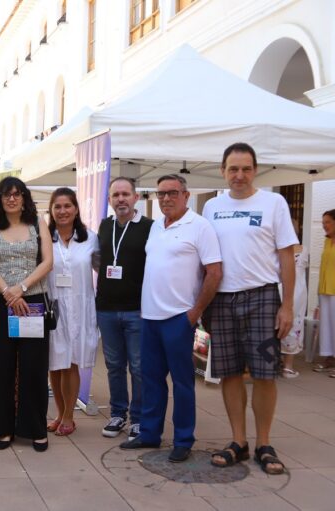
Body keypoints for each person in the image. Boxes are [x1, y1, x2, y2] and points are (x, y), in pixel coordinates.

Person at [202, 143, 297, 475]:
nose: (239, 175)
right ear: (223, 171)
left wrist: (287, 306)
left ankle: (264, 444)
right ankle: (238, 442)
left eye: (245, 169)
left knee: (264, 374)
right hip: (223, 300)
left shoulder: (274, 203)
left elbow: (287, 256)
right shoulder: (212, 206)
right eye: (232, 169)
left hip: (262, 298)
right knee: (228, 372)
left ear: (255, 170)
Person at [120, 174, 222, 464]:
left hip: (179, 318)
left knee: (182, 383)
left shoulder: (200, 226)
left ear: (186, 195)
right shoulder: (156, 228)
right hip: (150, 317)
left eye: (172, 193)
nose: (166, 198)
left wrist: (195, 312)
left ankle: (183, 439)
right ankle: (150, 433)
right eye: (160, 193)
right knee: (151, 380)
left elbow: (214, 272)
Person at [0, 176, 53, 452]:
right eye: (6, 195)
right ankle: (3, 428)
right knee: (0, 367)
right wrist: (8, 293)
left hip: (32, 302)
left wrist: (21, 289)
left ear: (24, 198)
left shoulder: (38, 224)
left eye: (17, 194)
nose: (11, 199)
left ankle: (35, 429)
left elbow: (48, 261)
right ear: (0, 200)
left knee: (33, 368)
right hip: (1, 302)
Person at [95, 177, 153, 441]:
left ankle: (139, 419)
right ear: (109, 200)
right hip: (106, 308)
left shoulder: (150, 227)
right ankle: (118, 413)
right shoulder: (105, 226)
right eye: (116, 195)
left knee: (139, 367)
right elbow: (100, 260)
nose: (120, 199)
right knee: (114, 366)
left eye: (125, 194)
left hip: (136, 310)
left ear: (135, 197)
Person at [46, 187, 100, 436]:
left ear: (76, 209)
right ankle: (58, 413)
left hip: (80, 306)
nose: (62, 211)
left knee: (72, 364)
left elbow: (102, 268)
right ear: (51, 210)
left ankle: (69, 416)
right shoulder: (45, 238)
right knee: (55, 365)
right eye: (57, 206)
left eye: (67, 206)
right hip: (54, 307)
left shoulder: (90, 238)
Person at [280, 224, 307, 378]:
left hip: (280, 288)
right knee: (294, 324)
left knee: (278, 326)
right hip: (297, 291)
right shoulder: (303, 249)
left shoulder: (276, 249)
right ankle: (288, 366)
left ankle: (276, 362)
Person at [314, 209, 335, 375]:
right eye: (323, 223)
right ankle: (329, 358)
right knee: (327, 326)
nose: (324, 226)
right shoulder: (327, 241)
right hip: (325, 290)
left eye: (327, 222)